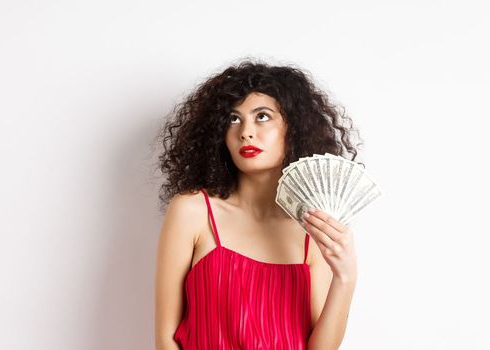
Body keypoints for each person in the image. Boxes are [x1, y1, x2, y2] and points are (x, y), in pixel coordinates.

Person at [154, 58, 363, 349]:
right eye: (233, 119)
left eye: (262, 116)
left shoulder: (311, 228)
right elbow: (165, 339)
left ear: (294, 128)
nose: (245, 132)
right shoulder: (192, 211)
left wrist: (346, 277)